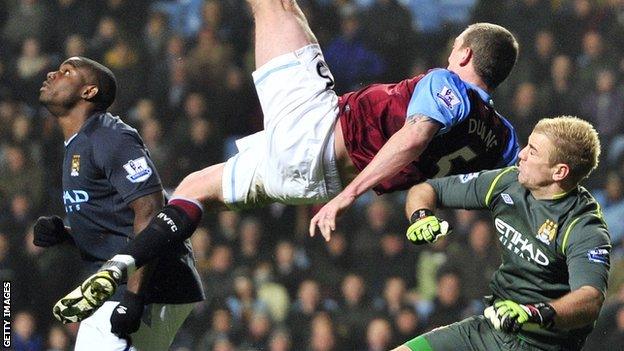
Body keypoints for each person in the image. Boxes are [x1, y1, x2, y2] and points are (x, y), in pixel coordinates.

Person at [55, 0, 520, 323]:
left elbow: (413, 139)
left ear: (464, 53)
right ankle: (121, 265)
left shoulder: (449, 85)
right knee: (194, 187)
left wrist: (348, 199)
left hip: (317, 131)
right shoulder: (501, 138)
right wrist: (421, 213)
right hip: (313, 182)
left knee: (276, 7)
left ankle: (120, 262)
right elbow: (468, 186)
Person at [394, 116, 611, 351]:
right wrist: (420, 216)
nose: (522, 154)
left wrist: (535, 313)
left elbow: (590, 299)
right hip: (490, 329)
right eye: (527, 145)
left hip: (543, 345)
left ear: (559, 172)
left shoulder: (583, 226)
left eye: (534, 152)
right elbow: (426, 189)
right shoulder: (508, 182)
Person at [37, 56, 204, 350]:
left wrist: (134, 298)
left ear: (89, 92)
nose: (53, 73)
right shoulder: (79, 143)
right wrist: (66, 234)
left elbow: (151, 212)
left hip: (149, 287)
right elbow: (117, 228)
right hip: (127, 285)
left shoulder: (110, 136)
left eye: (66, 71)